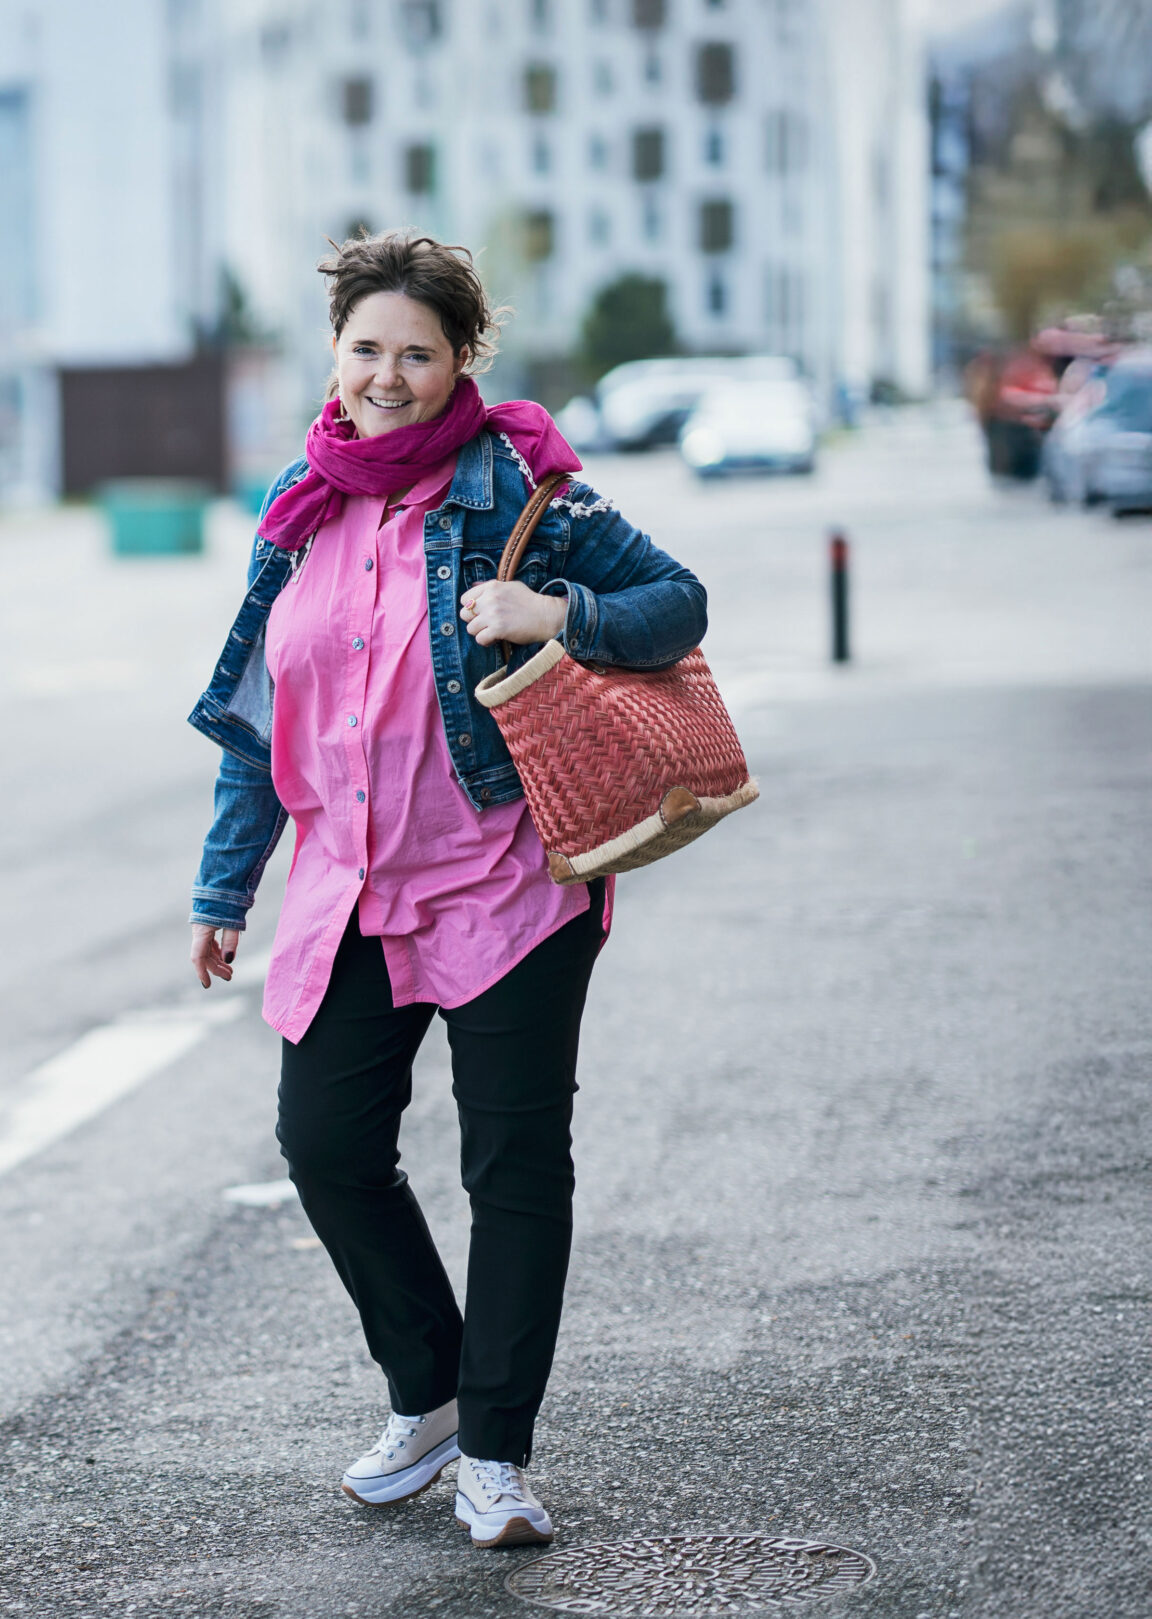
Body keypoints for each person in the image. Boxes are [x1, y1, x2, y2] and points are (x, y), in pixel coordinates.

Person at [183, 231, 707, 1548]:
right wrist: (225, 890)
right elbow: (262, 723)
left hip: (508, 882)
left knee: (514, 1166)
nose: (389, 376)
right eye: (368, 349)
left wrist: (551, 616)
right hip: (351, 887)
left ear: (462, 359)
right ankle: (430, 1393)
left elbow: (675, 605)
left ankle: (497, 1456)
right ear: (336, 352)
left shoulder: (514, 481)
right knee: (328, 1147)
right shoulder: (300, 502)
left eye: (418, 353)